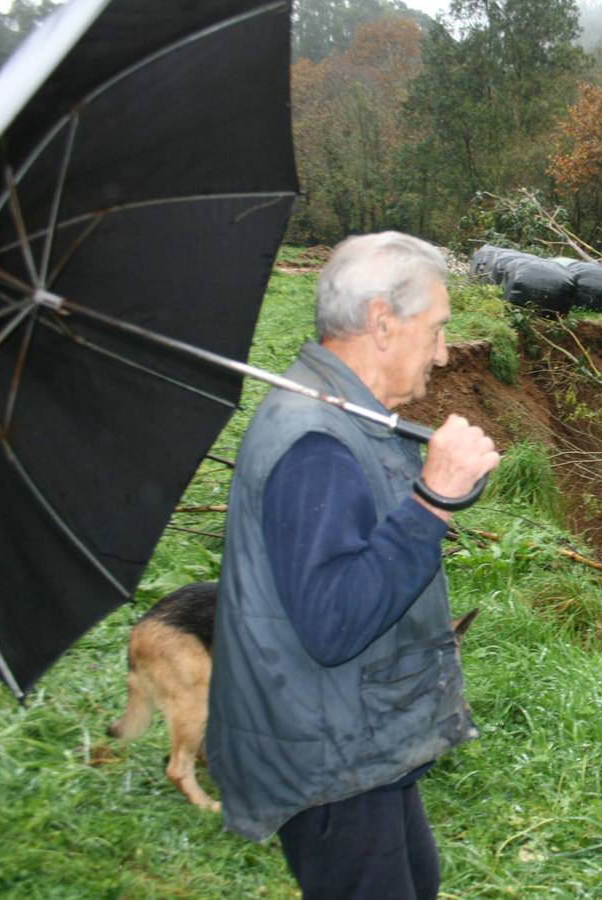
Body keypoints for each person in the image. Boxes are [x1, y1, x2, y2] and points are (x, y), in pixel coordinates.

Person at [207, 232, 499, 899]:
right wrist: (431, 503)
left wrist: (438, 488)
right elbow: (333, 622)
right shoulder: (314, 443)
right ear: (382, 323)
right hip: (329, 757)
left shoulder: (345, 419)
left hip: (361, 736)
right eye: (437, 330)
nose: (445, 352)